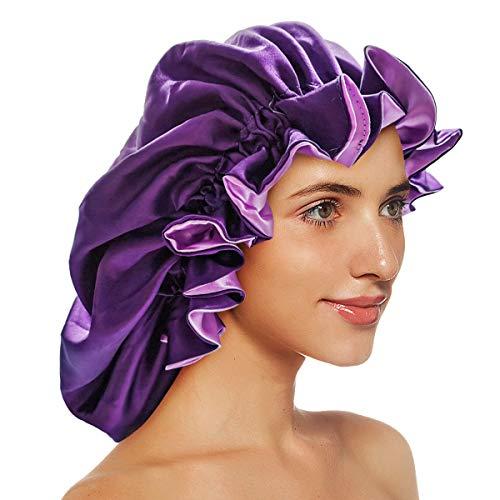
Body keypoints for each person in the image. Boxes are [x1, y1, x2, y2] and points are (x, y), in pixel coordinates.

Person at [61, 21, 463, 499]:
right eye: (322, 211)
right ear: (209, 232)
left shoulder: (380, 457)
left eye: (392, 207)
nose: (384, 262)